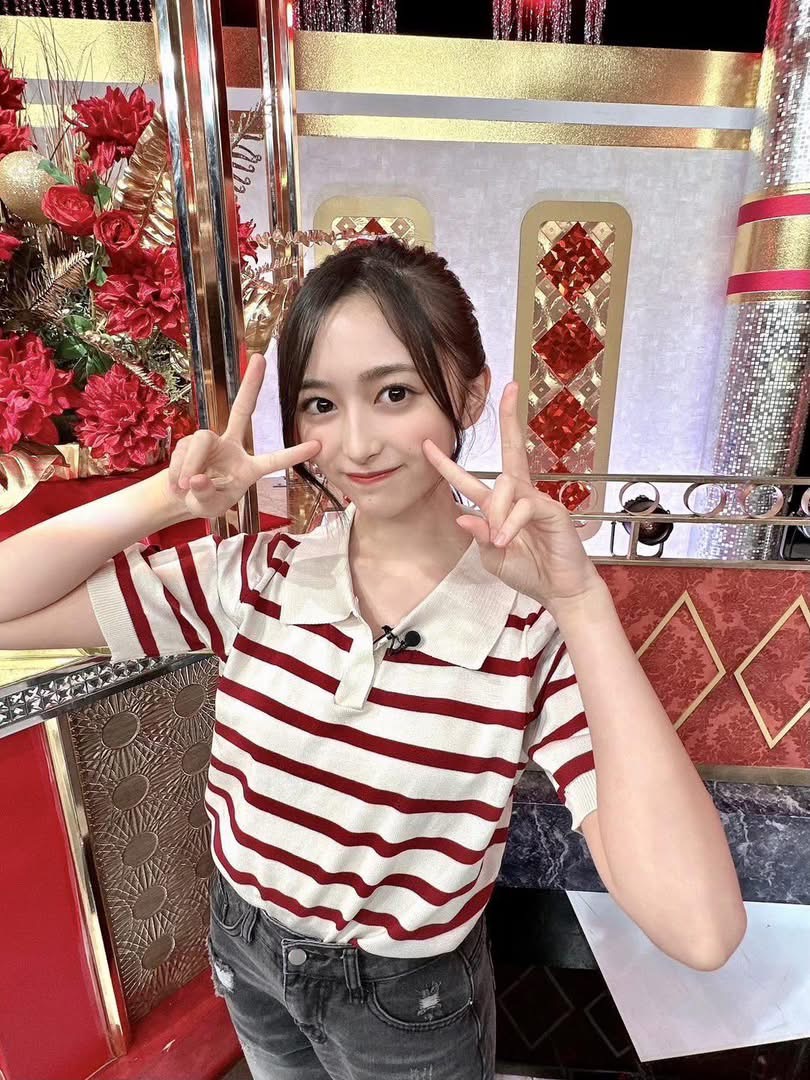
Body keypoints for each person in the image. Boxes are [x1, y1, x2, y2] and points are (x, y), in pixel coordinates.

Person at [0, 238, 745, 1080]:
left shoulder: (529, 626)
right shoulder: (257, 575)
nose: (356, 445)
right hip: (244, 942)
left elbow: (702, 929)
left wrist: (581, 602)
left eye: (394, 393)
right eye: (320, 405)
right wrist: (166, 497)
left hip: (406, 1002)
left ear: (468, 394)